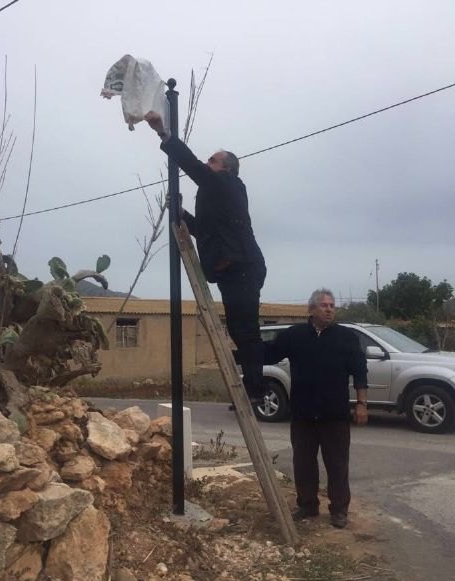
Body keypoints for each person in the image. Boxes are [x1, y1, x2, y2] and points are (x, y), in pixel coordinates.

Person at [144, 111, 267, 402]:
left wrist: (164, 133)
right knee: (238, 330)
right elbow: (205, 231)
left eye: (213, 160)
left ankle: (256, 389)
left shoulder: (228, 185)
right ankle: (253, 385)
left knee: (246, 331)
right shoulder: (217, 195)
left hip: (244, 269)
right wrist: (182, 214)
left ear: (226, 169)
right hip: (230, 272)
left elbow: (192, 165)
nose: (208, 163)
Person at [264, 289, 368, 528]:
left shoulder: (346, 337)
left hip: (335, 415)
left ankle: (339, 510)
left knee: (338, 465)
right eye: (324, 305)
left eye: (332, 305)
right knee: (303, 464)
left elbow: (360, 372)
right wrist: (243, 347)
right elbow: (269, 354)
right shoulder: (295, 335)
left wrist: (362, 404)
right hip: (303, 414)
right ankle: (307, 506)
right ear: (311, 310)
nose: (330, 309)